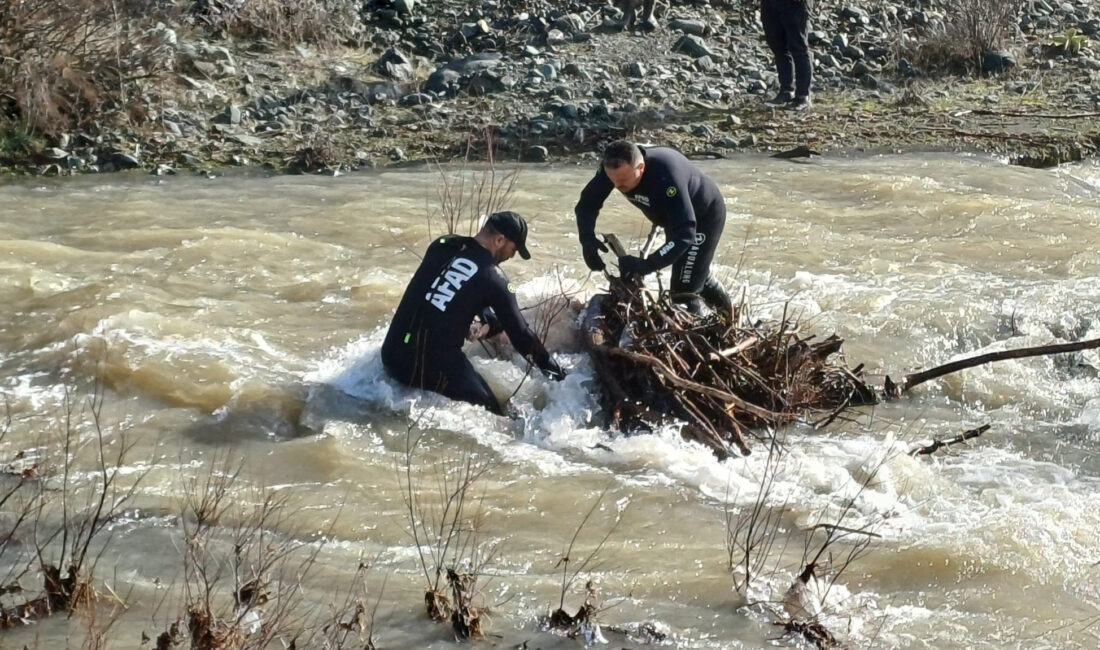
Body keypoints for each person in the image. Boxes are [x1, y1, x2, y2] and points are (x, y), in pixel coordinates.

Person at [381, 211, 565, 415]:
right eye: (513, 250)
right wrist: (557, 374)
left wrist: (486, 323)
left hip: (390, 354)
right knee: (493, 412)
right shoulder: (493, 278)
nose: (511, 256)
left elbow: (453, 288)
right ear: (500, 240)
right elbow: (521, 336)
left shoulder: (443, 245)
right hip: (422, 364)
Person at [575, 140, 733, 316]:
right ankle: (728, 319)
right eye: (613, 181)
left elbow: (686, 233)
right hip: (672, 218)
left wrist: (647, 265)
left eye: (624, 181)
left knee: (683, 294)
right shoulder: (614, 170)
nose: (617, 187)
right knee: (695, 276)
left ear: (640, 167)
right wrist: (587, 239)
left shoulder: (666, 175)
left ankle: (717, 334)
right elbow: (586, 205)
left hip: (702, 217)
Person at [761, 0, 814, 111]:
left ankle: (803, 96)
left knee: (799, 48)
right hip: (770, 4)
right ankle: (786, 92)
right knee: (778, 46)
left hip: (795, 4)